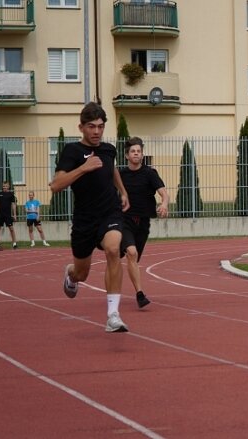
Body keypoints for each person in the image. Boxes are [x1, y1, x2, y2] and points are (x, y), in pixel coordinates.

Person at [50, 102, 131, 332]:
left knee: (114, 250)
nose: (96, 131)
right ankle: (71, 275)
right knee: (82, 273)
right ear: (81, 127)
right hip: (85, 220)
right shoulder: (72, 152)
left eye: (100, 126)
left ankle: (113, 315)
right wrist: (83, 168)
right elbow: (55, 185)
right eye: (91, 126)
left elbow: (111, 169)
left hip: (110, 212)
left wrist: (123, 191)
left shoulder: (108, 149)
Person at [119, 137, 170, 309]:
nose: (136, 154)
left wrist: (163, 204)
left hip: (143, 223)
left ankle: (117, 249)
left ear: (142, 154)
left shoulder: (149, 173)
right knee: (131, 254)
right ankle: (140, 294)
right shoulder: (121, 175)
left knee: (134, 257)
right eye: (133, 151)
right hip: (124, 221)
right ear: (127, 155)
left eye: (139, 151)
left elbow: (164, 194)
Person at [0, 181, 18, 250]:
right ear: (2, 186)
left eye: (6, 186)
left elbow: (13, 205)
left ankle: (14, 243)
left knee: (11, 228)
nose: (5, 187)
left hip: (8, 214)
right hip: (0, 214)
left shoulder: (11, 195)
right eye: (3, 186)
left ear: (8, 186)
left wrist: (14, 215)